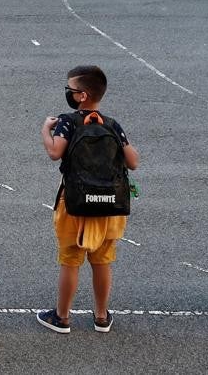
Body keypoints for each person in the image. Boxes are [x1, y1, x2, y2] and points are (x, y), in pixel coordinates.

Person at [36, 66, 140, 334]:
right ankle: (102, 316)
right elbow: (133, 161)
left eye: (70, 90)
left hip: (75, 202)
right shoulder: (111, 124)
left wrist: (46, 131)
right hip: (110, 206)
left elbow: (55, 153)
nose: (68, 93)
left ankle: (62, 316)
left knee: (71, 259)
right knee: (102, 259)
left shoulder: (68, 121)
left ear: (82, 95)